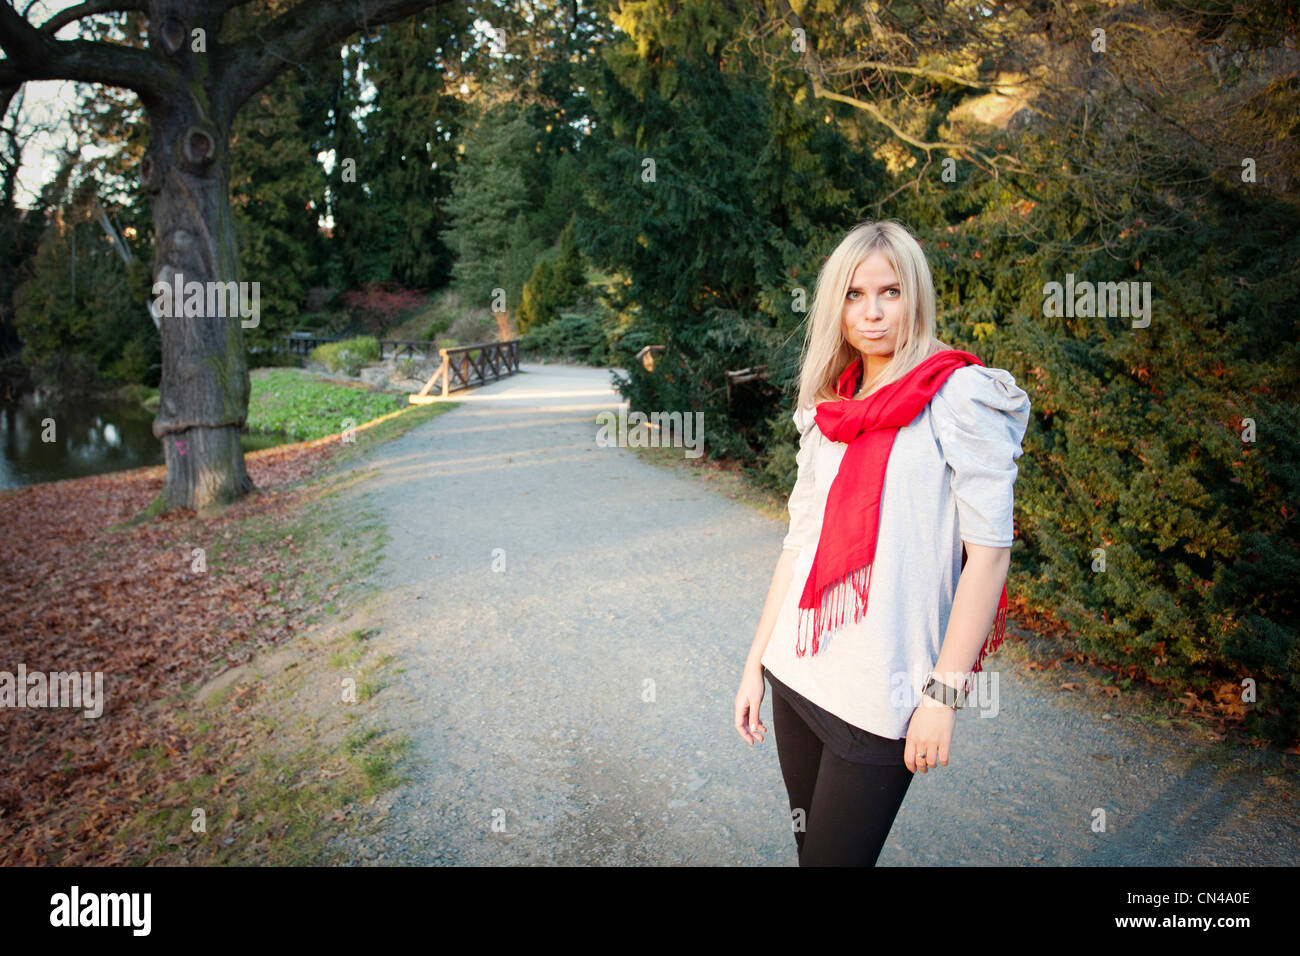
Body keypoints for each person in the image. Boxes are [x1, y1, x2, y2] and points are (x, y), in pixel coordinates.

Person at [733, 219, 1031, 866]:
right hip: (799, 674)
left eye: (890, 292)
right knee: (811, 853)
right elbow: (799, 543)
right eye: (853, 294)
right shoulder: (828, 409)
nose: (872, 313)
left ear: (915, 296)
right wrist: (755, 663)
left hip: (883, 696)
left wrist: (943, 697)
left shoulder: (959, 394)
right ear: (834, 304)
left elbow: (991, 554)